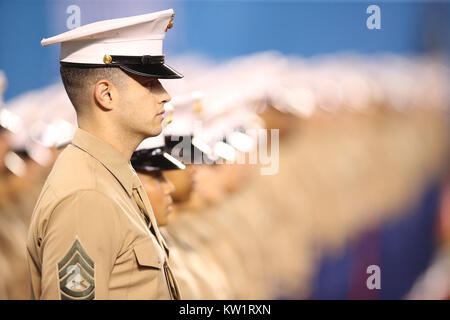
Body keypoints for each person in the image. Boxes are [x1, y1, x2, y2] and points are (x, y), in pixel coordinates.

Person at [26, 9, 183, 300]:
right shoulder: (86, 196)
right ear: (106, 95)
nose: (165, 95)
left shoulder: (107, 179)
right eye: (149, 83)